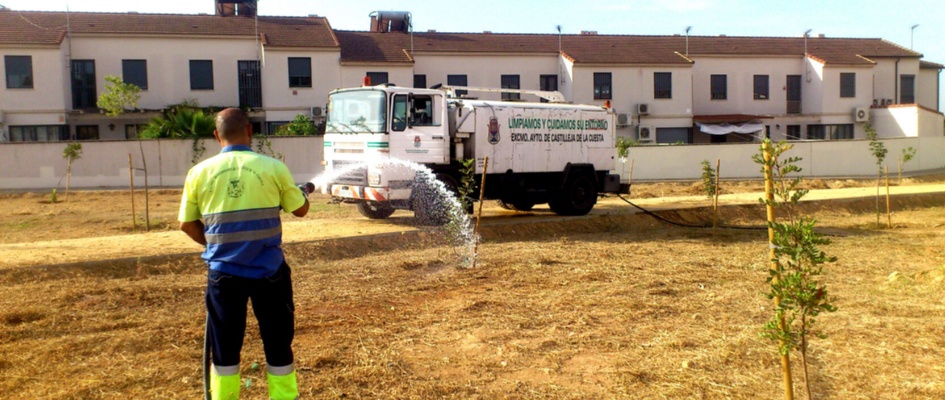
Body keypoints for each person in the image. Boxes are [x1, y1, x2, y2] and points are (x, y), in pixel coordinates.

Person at [179, 108, 309, 400]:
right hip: (270, 275)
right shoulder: (273, 168)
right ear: (250, 131)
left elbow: (186, 224)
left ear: (216, 136)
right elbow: (300, 209)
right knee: (278, 346)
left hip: (223, 276)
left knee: (224, 350)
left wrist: (217, 244)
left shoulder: (198, 173)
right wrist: (301, 194)